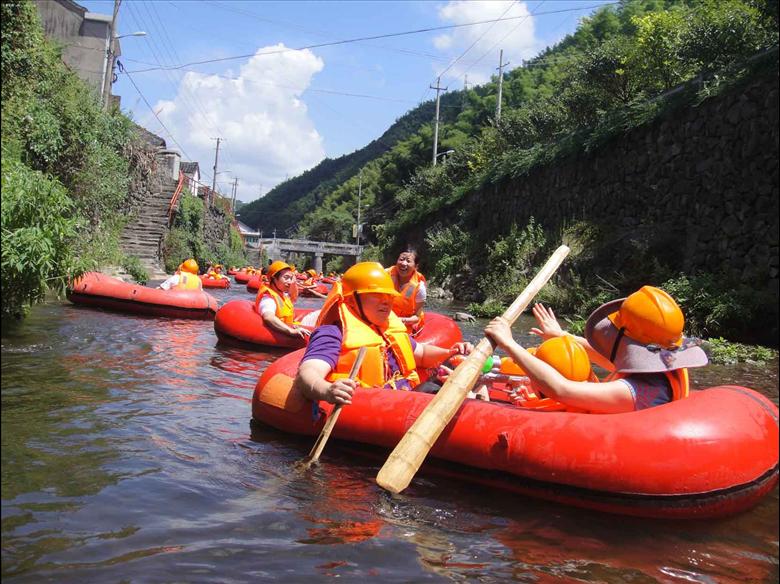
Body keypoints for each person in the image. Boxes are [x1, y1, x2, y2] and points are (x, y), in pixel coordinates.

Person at [484, 286, 708, 414]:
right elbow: (607, 358)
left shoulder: (634, 392)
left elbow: (560, 390)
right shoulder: (666, 365)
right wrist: (563, 336)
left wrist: (509, 344)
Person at [295, 262, 472, 405]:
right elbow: (308, 372)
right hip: (373, 407)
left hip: (407, 399)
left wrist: (451, 353)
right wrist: (327, 390)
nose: (387, 302)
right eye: (377, 295)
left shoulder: (388, 329)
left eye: (389, 296)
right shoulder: (333, 334)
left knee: (458, 368)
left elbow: (422, 354)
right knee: (433, 389)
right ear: (351, 300)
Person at [255, 260, 310, 340]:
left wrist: (293, 282)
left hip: (289, 323)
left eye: (290, 278)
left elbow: (293, 297)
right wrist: (291, 331)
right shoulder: (268, 299)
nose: (290, 282)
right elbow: (268, 317)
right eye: (286, 278)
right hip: (282, 334)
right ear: (274, 279)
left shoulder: (282, 294)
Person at [386, 249, 427, 334]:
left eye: (408, 261)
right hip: (382, 319)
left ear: (416, 266)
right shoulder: (384, 275)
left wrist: (399, 320)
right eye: (401, 259)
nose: (404, 263)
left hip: (404, 324)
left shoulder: (419, 287)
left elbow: (416, 317)